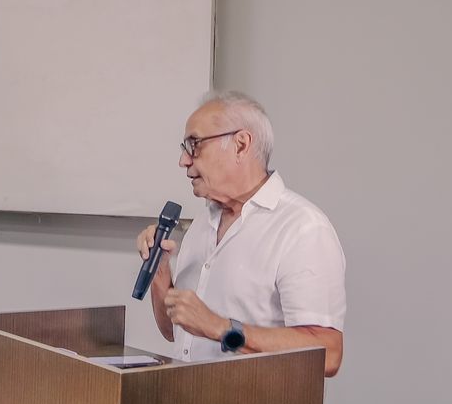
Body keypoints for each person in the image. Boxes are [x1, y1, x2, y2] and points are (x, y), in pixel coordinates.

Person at [135, 90, 346, 375]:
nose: (183, 160)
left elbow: (328, 354)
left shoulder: (302, 228)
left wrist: (221, 328)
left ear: (241, 144)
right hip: (188, 398)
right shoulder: (201, 224)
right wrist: (160, 270)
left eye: (194, 145)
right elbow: (176, 332)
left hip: (253, 403)